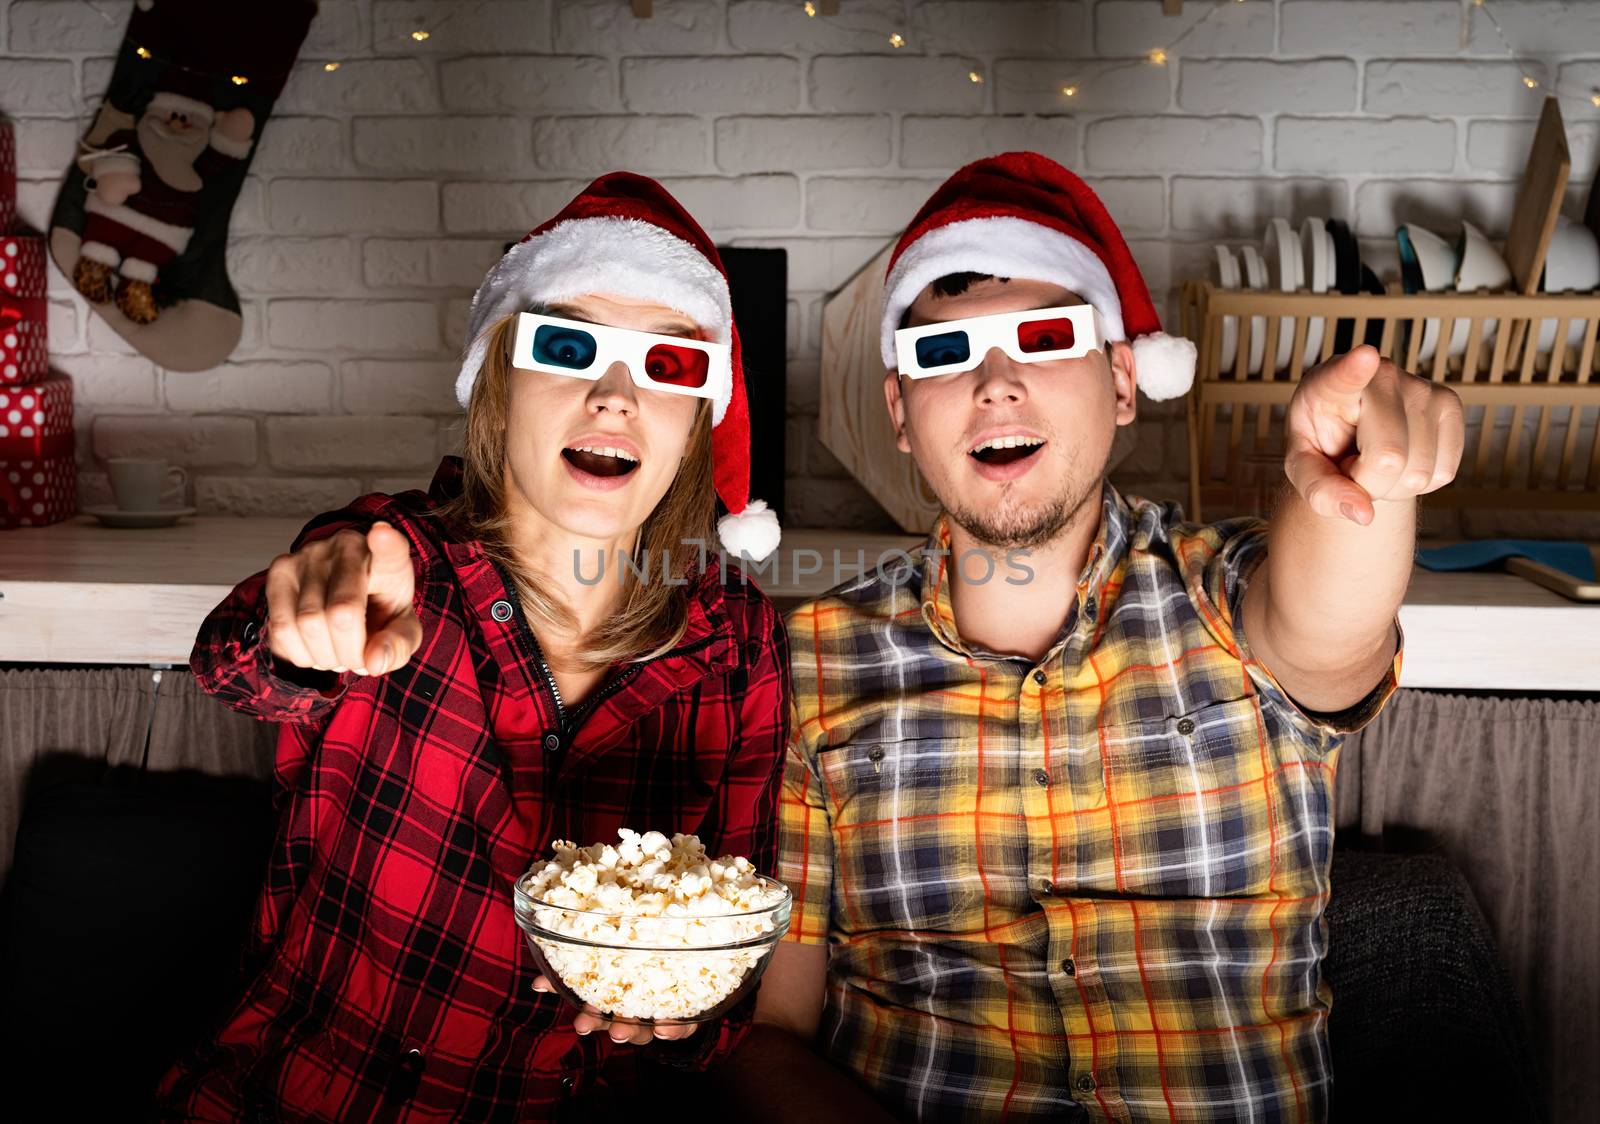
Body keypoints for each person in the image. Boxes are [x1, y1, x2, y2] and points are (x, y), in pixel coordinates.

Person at [728, 152, 1464, 1122]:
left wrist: (1365, 473)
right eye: (945, 355)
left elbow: (1329, 629)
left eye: (1042, 336)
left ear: (1122, 379)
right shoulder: (813, 660)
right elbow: (767, 1033)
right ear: (900, 413)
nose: (996, 381)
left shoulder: (1226, 593)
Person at [157, 173, 789, 1121]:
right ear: (499, 381)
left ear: (700, 418)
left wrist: (680, 1010)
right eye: (568, 345)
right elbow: (237, 666)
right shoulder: (395, 557)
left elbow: (734, 944)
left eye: (670, 365)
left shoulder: (737, 642)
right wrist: (304, 624)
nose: (616, 395)